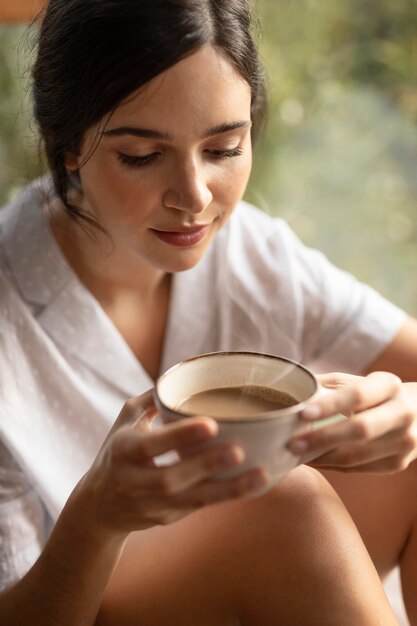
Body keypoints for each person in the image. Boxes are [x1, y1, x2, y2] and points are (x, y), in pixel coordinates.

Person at [0, 0, 416, 624]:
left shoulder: (247, 250)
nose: (194, 198)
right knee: (282, 499)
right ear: (66, 148)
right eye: (142, 156)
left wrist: (406, 414)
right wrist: (97, 515)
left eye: (224, 148)